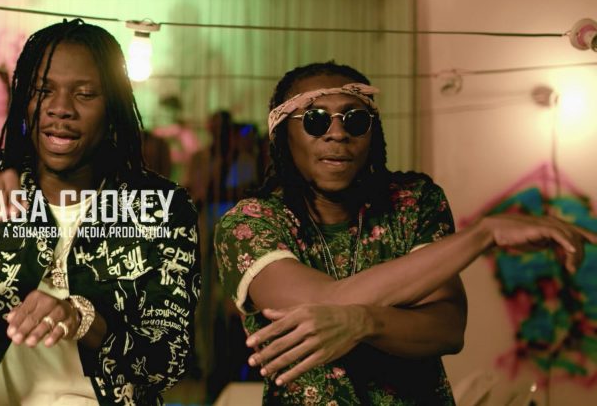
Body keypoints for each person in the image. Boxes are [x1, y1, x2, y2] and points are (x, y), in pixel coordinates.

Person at [214, 61, 596, 404]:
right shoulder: (250, 223)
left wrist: (364, 322)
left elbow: (447, 329)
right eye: (315, 120)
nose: (337, 133)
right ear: (284, 135)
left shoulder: (413, 201)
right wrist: (483, 234)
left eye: (355, 120)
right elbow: (323, 302)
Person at [0, 19, 200, 405]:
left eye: (84, 94)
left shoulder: (160, 208)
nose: (60, 108)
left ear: (113, 106)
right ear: (26, 100)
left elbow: (169, 362)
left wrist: (81, 318)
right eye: (42, 91)